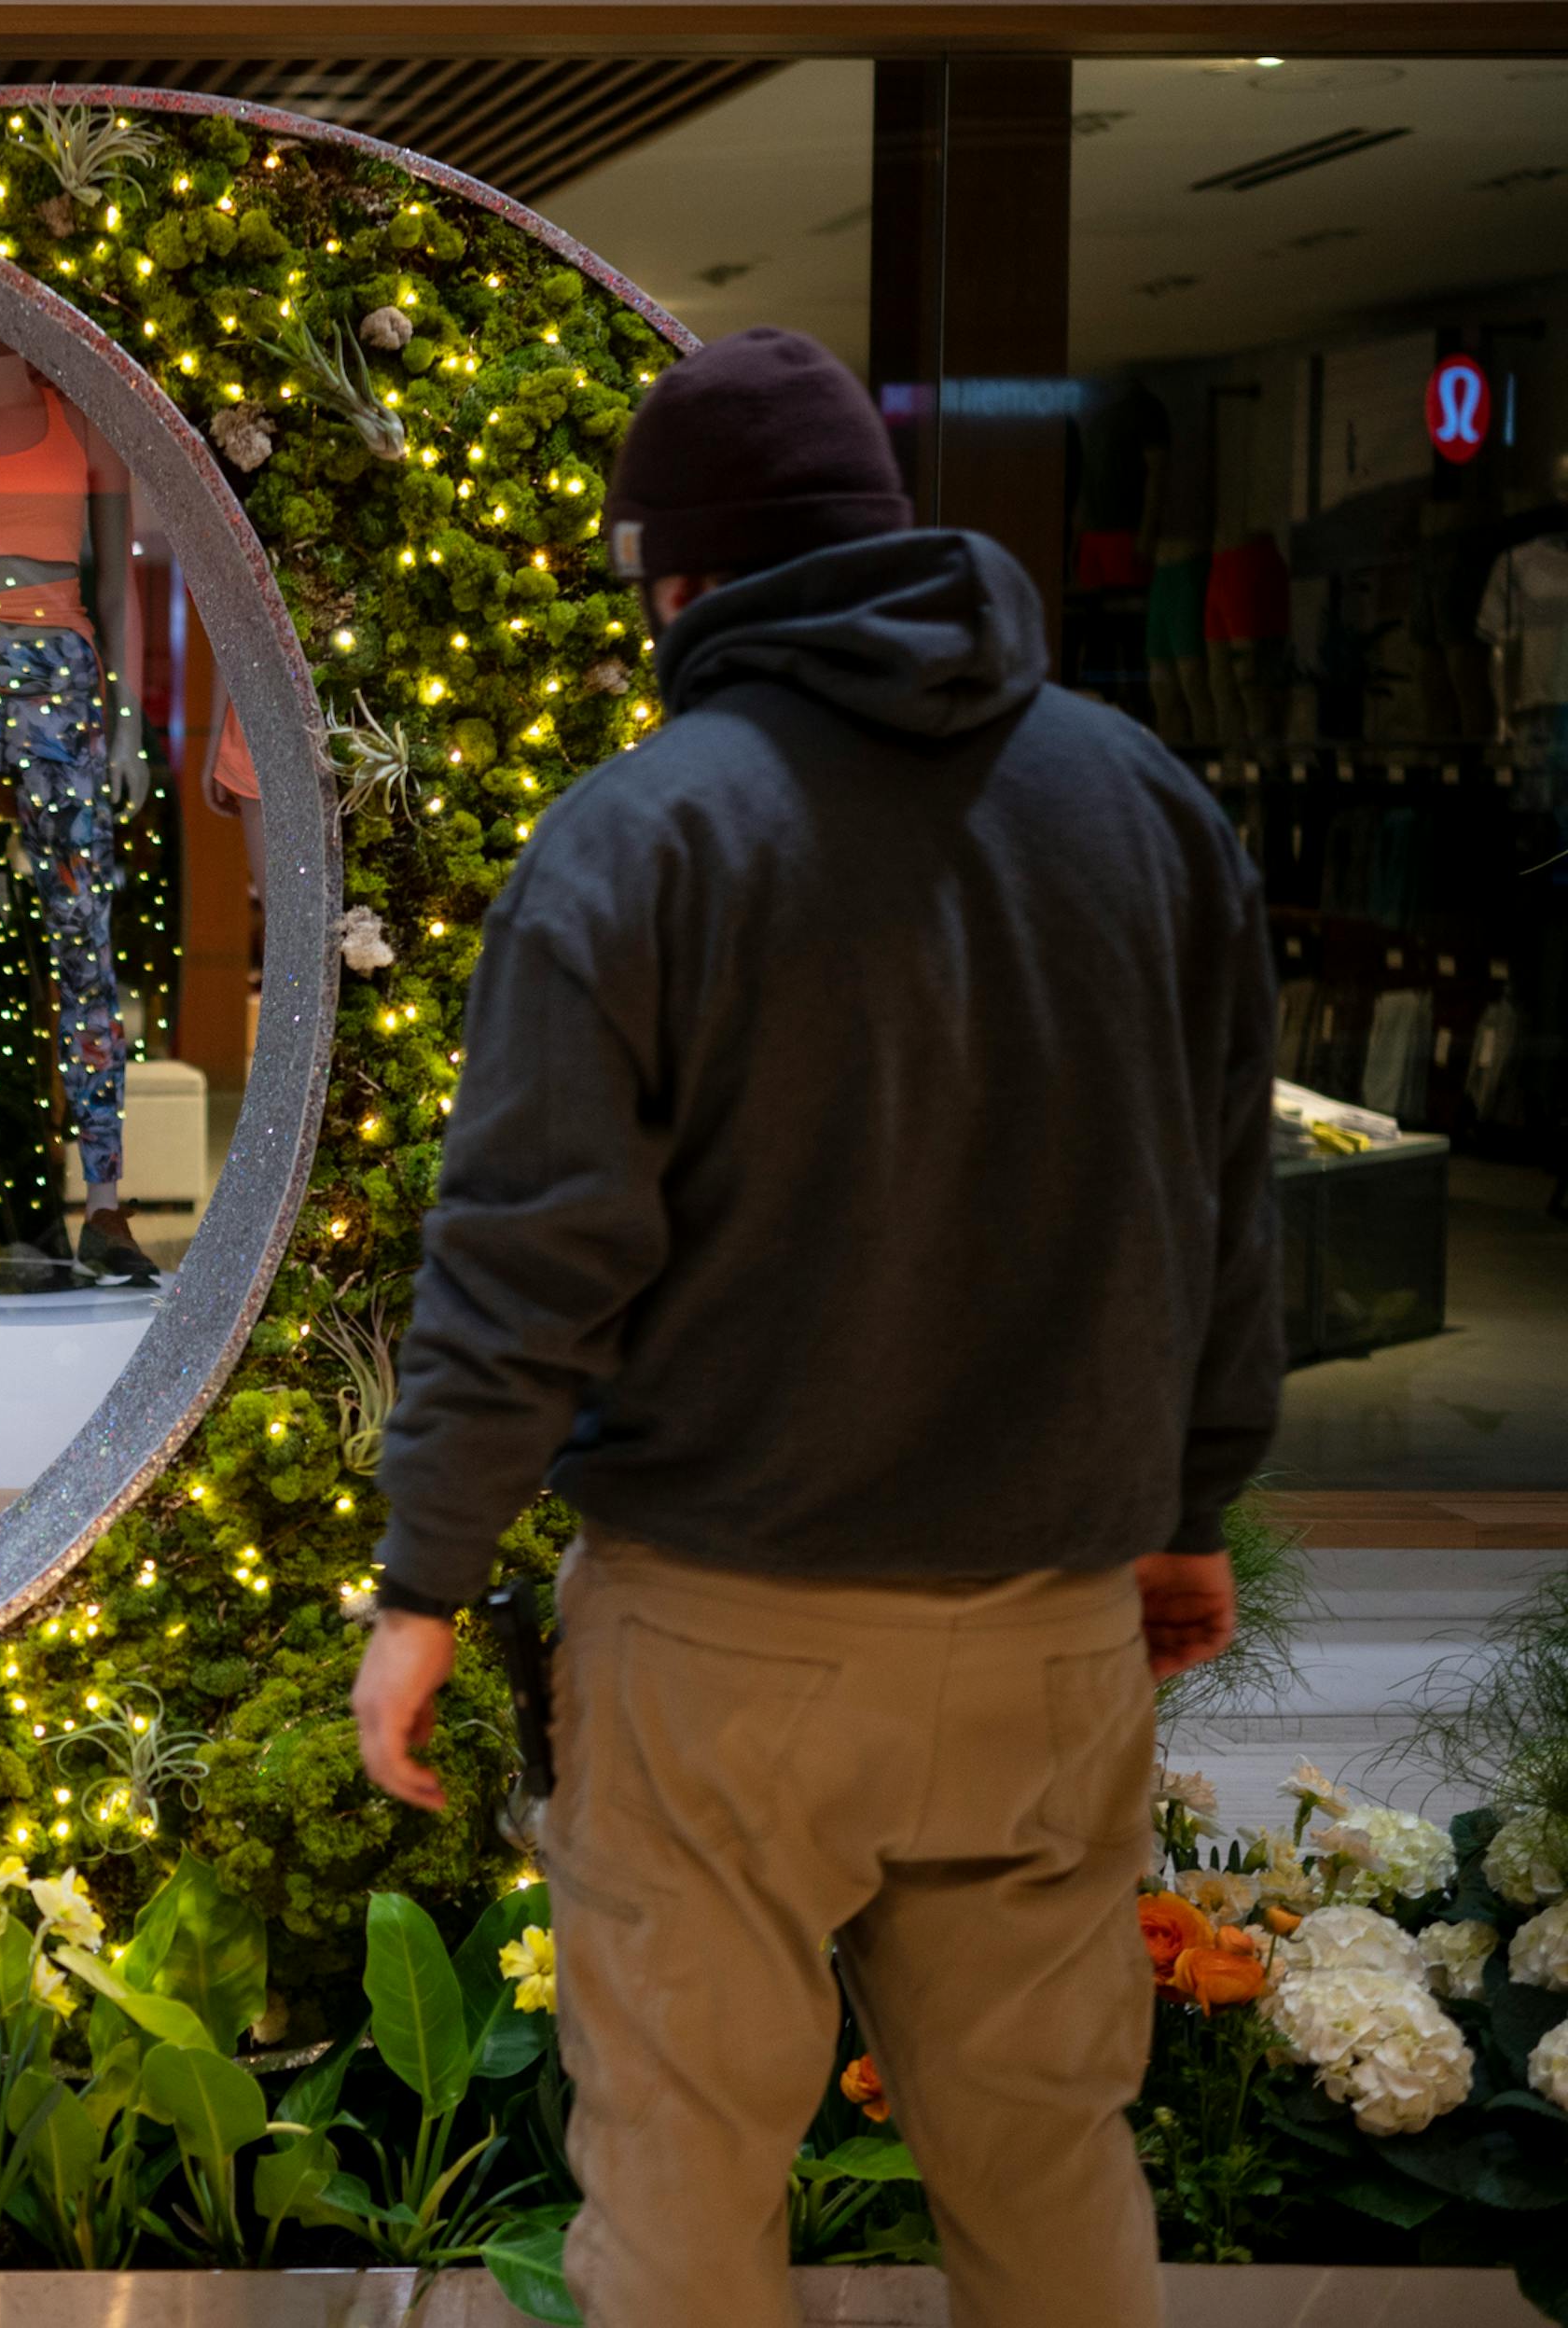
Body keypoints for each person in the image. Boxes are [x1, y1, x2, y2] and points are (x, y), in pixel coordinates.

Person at [346, 328, 1280, 2328]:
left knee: (687, 2180)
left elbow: (527, 1254)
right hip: (1051, 1616)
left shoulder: (645, 831)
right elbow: (1219, 1203)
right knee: (1047, 2159)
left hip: (725, 1632)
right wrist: (1190, 1504)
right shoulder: (1142, 804)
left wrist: (424, 1578)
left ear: (680, 580)